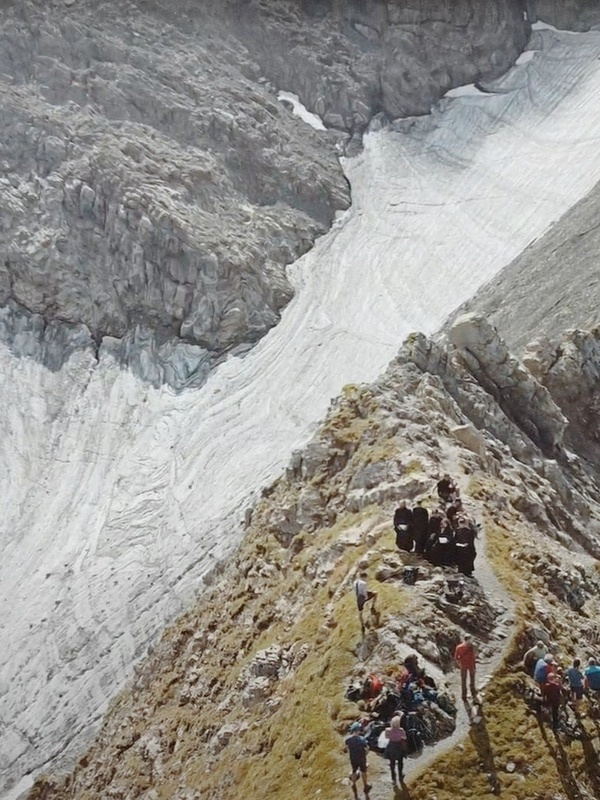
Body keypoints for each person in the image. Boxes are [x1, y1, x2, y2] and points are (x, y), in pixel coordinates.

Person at [345, 722, 371, 794]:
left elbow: (347, 748)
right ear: (358, 730)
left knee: (354, 770)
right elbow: (367, 749)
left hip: (353, 758)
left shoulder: (348, 739)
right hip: (361, 758)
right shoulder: (362, 740)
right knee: (363, 771)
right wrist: (365, 754)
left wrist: (350, 754)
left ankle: (353, 784)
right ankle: (365, 786)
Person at [383, 715, 407, 784]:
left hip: (391, 746)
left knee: (392, 763)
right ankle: (400, 775)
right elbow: (404, 737)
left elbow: (386, 737)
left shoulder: (387, 730)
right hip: (399, 746)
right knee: (400, 762)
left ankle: (393, 778)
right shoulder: (401, 730)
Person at [454, 633, 477, 700]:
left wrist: (459, 663)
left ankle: (465, 696)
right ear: (468, 640)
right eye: (471, 639)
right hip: (469, 665)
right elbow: (473, 656)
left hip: (465, 665)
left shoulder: (459, 647)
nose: (471, 641)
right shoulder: (471, 647)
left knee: (464, 680)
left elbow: (456, 658)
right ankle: (471, 693)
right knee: (468, 679)